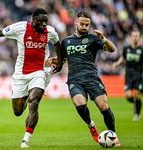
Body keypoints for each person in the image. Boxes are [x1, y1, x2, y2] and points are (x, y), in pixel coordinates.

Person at [0, 8, 63, 148]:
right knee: (18, 111)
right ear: (33, 20)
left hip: (40, 71)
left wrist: (59, 62)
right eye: (41, 21)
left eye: (46, 21)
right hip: (21, 74)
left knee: (35, 102)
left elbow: (57, 43)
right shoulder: (20, 28)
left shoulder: (50, 31)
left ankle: (26, 139)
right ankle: (27, 94)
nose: (44, 24)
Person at [46, 11, 120, 146]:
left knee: (104, 107)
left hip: (91, 77)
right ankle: (91, 125)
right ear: (75, 23)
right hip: (75, 79)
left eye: (87, 24)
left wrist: (103, 38)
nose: (84, 27)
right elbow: (63, 59)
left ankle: (113, 135)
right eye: (82, 24)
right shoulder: (66, 41)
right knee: (79, 104)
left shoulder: (93, 38)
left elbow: (112, 49)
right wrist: (53, 60)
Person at [112, 29, 142, 121]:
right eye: (134, 36)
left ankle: (137, 114)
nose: (135, 38)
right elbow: (123, 58)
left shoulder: (141, 50)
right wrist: (117, 63)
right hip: (129, 75)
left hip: (138, 75)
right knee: (128, 96)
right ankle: (135, 103)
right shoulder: (127, 48)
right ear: (131, 37)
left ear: (139, 37)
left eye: (137, 36)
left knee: (137, 94)